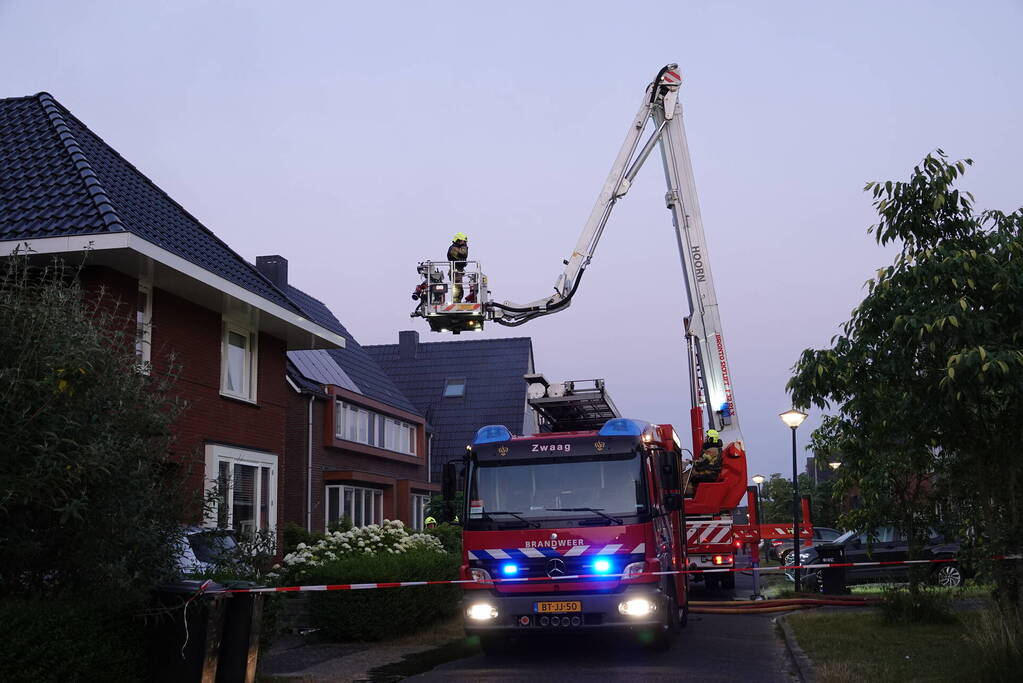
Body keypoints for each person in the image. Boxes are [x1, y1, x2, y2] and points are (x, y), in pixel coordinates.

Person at [447, 232, 469, 303]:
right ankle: (456, 302)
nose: (465, 243)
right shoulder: (453, 249)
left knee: (459, 289)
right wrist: (464, 246)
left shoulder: (457, 248)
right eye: (464, 241)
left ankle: (457, 301)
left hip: (458, 271)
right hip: (455, 271)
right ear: (458, 240)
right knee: (457, 288)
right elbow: (463, 254)